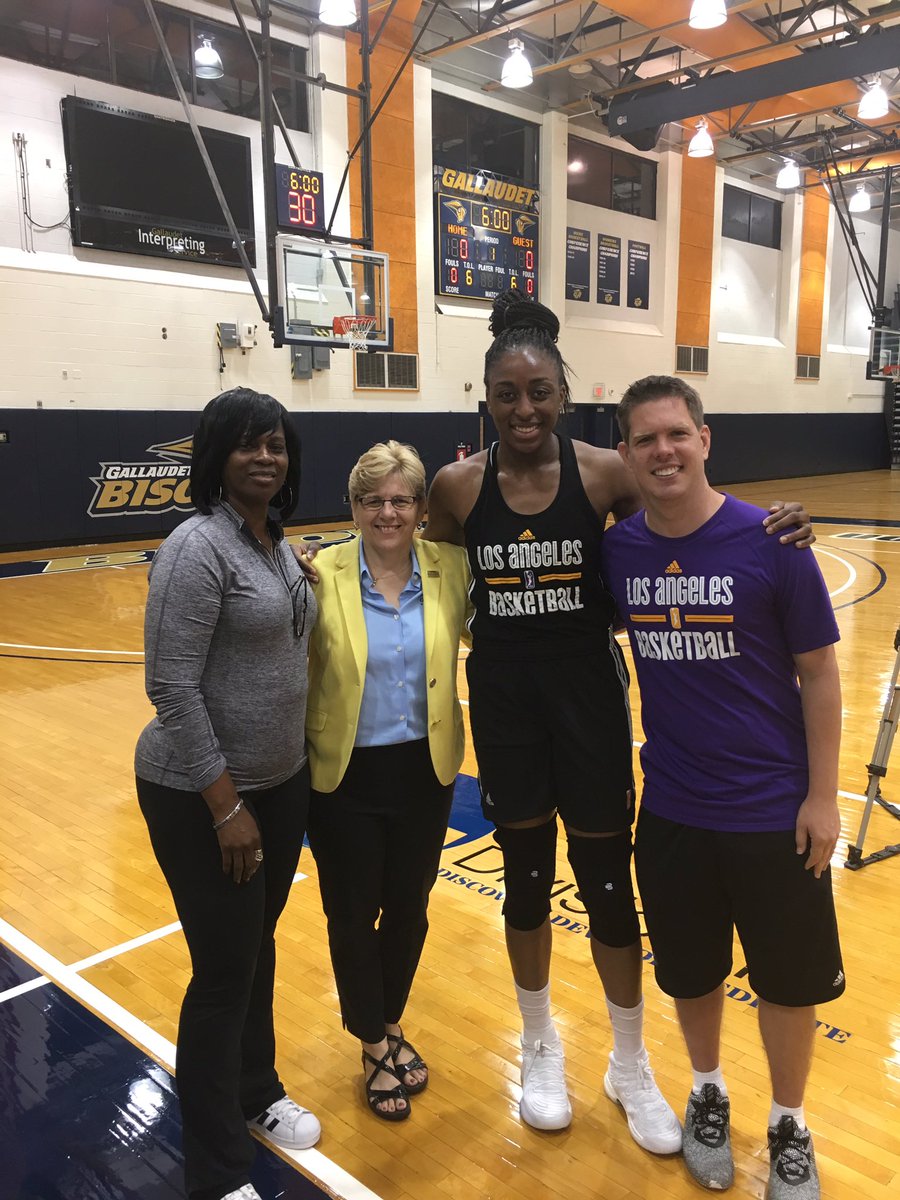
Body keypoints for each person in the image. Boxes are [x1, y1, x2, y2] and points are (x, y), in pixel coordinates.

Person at [422, 290, 813, 1152]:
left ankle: (629, 1063)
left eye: (539, 393)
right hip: (507, 706)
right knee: (525, 881)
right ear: (485, 398)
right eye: (506, 394)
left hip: (591, 705)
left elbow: (685, 531)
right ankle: (538, 1046)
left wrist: (771, 527)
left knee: (607, 886)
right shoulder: (455, 489)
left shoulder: (606, 473)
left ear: (563, 393)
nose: (524, 409)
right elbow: (400, 562)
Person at [601, 375, 843, 1199]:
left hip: (774, 812)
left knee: (789, 980)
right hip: (672, 809)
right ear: (627, 454)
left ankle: (789, 1123)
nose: (663, 451)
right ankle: (707, 1090)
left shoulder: (774, 543)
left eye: (677, 434)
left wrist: (822, 795)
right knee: (693, 972)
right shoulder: (620, 550)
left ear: (706, 440)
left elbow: (819, 675)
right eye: (645, 439)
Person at [135, 388, 319, 1200]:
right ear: (217, 455)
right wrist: (225, 806)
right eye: (248, 444)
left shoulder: (273, 542)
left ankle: (256, 1092)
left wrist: (302, 577)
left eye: (275, 444)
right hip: (201, 795)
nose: (265, 457)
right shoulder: (195, 547)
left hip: (277, 788)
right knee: (221, 973)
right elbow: (171, 688)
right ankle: (213, 1170)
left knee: (256, 948)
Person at [303, 441, 471, 1122]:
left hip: (424, 771)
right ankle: (373, 1043)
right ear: (353, 507)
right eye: (373, 500)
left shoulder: (453, 568)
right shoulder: (319, 573)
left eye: (402, 499)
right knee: (351, 914)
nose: (388, 512)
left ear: (421, 507)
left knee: (410, 907)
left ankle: (388, 1020)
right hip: (343, 774)